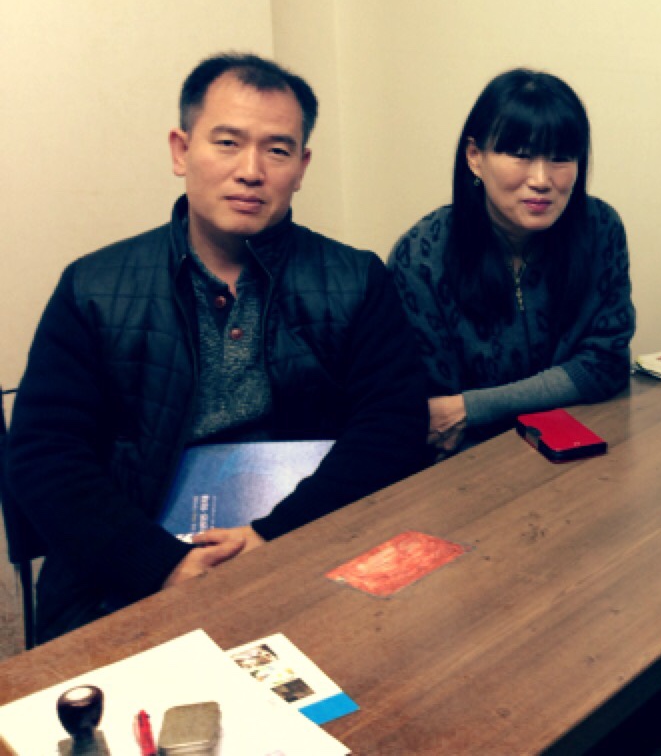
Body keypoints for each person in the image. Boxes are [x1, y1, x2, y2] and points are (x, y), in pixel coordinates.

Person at [6, 53, 431, 642]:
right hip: (129, 572)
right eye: (227, 143)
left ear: (302, 167)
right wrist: (163, 566)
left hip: (307, 549)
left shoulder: (356, 279)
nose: (250, 171)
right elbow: (45, 455)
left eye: (277, 150)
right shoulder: (94, 287)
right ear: (181, 151)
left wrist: (275, 540)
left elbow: (392, 428)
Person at [388, 69, 635, 454]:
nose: (541, 180)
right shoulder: (421, 256)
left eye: (560, 158)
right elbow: (435, 416)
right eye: (521, 155)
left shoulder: (600, 229)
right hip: (469, 466)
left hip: (580, 449)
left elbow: (605, 365)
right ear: (475, 157)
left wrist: (472, 407)